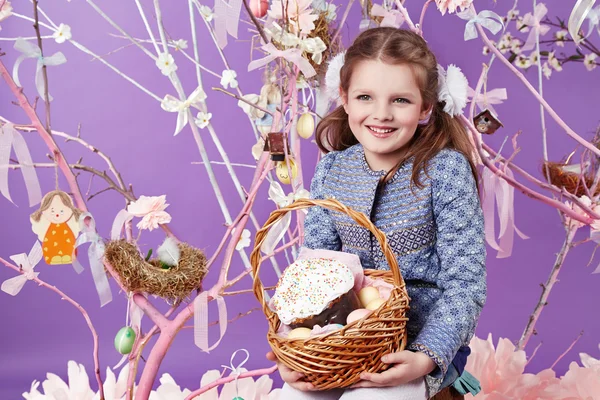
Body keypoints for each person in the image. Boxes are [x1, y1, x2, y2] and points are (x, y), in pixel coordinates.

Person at [266, 27, 486, 399]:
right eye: (366, 96)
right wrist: (294, 349)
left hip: (416, 343)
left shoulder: (444, 171)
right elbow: (311, 271)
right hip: (339, 343)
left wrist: (426, 356)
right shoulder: (333, 169)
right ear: (346, 100)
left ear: (426, 107)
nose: (381, 114)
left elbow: (466, 283)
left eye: (400, 100)